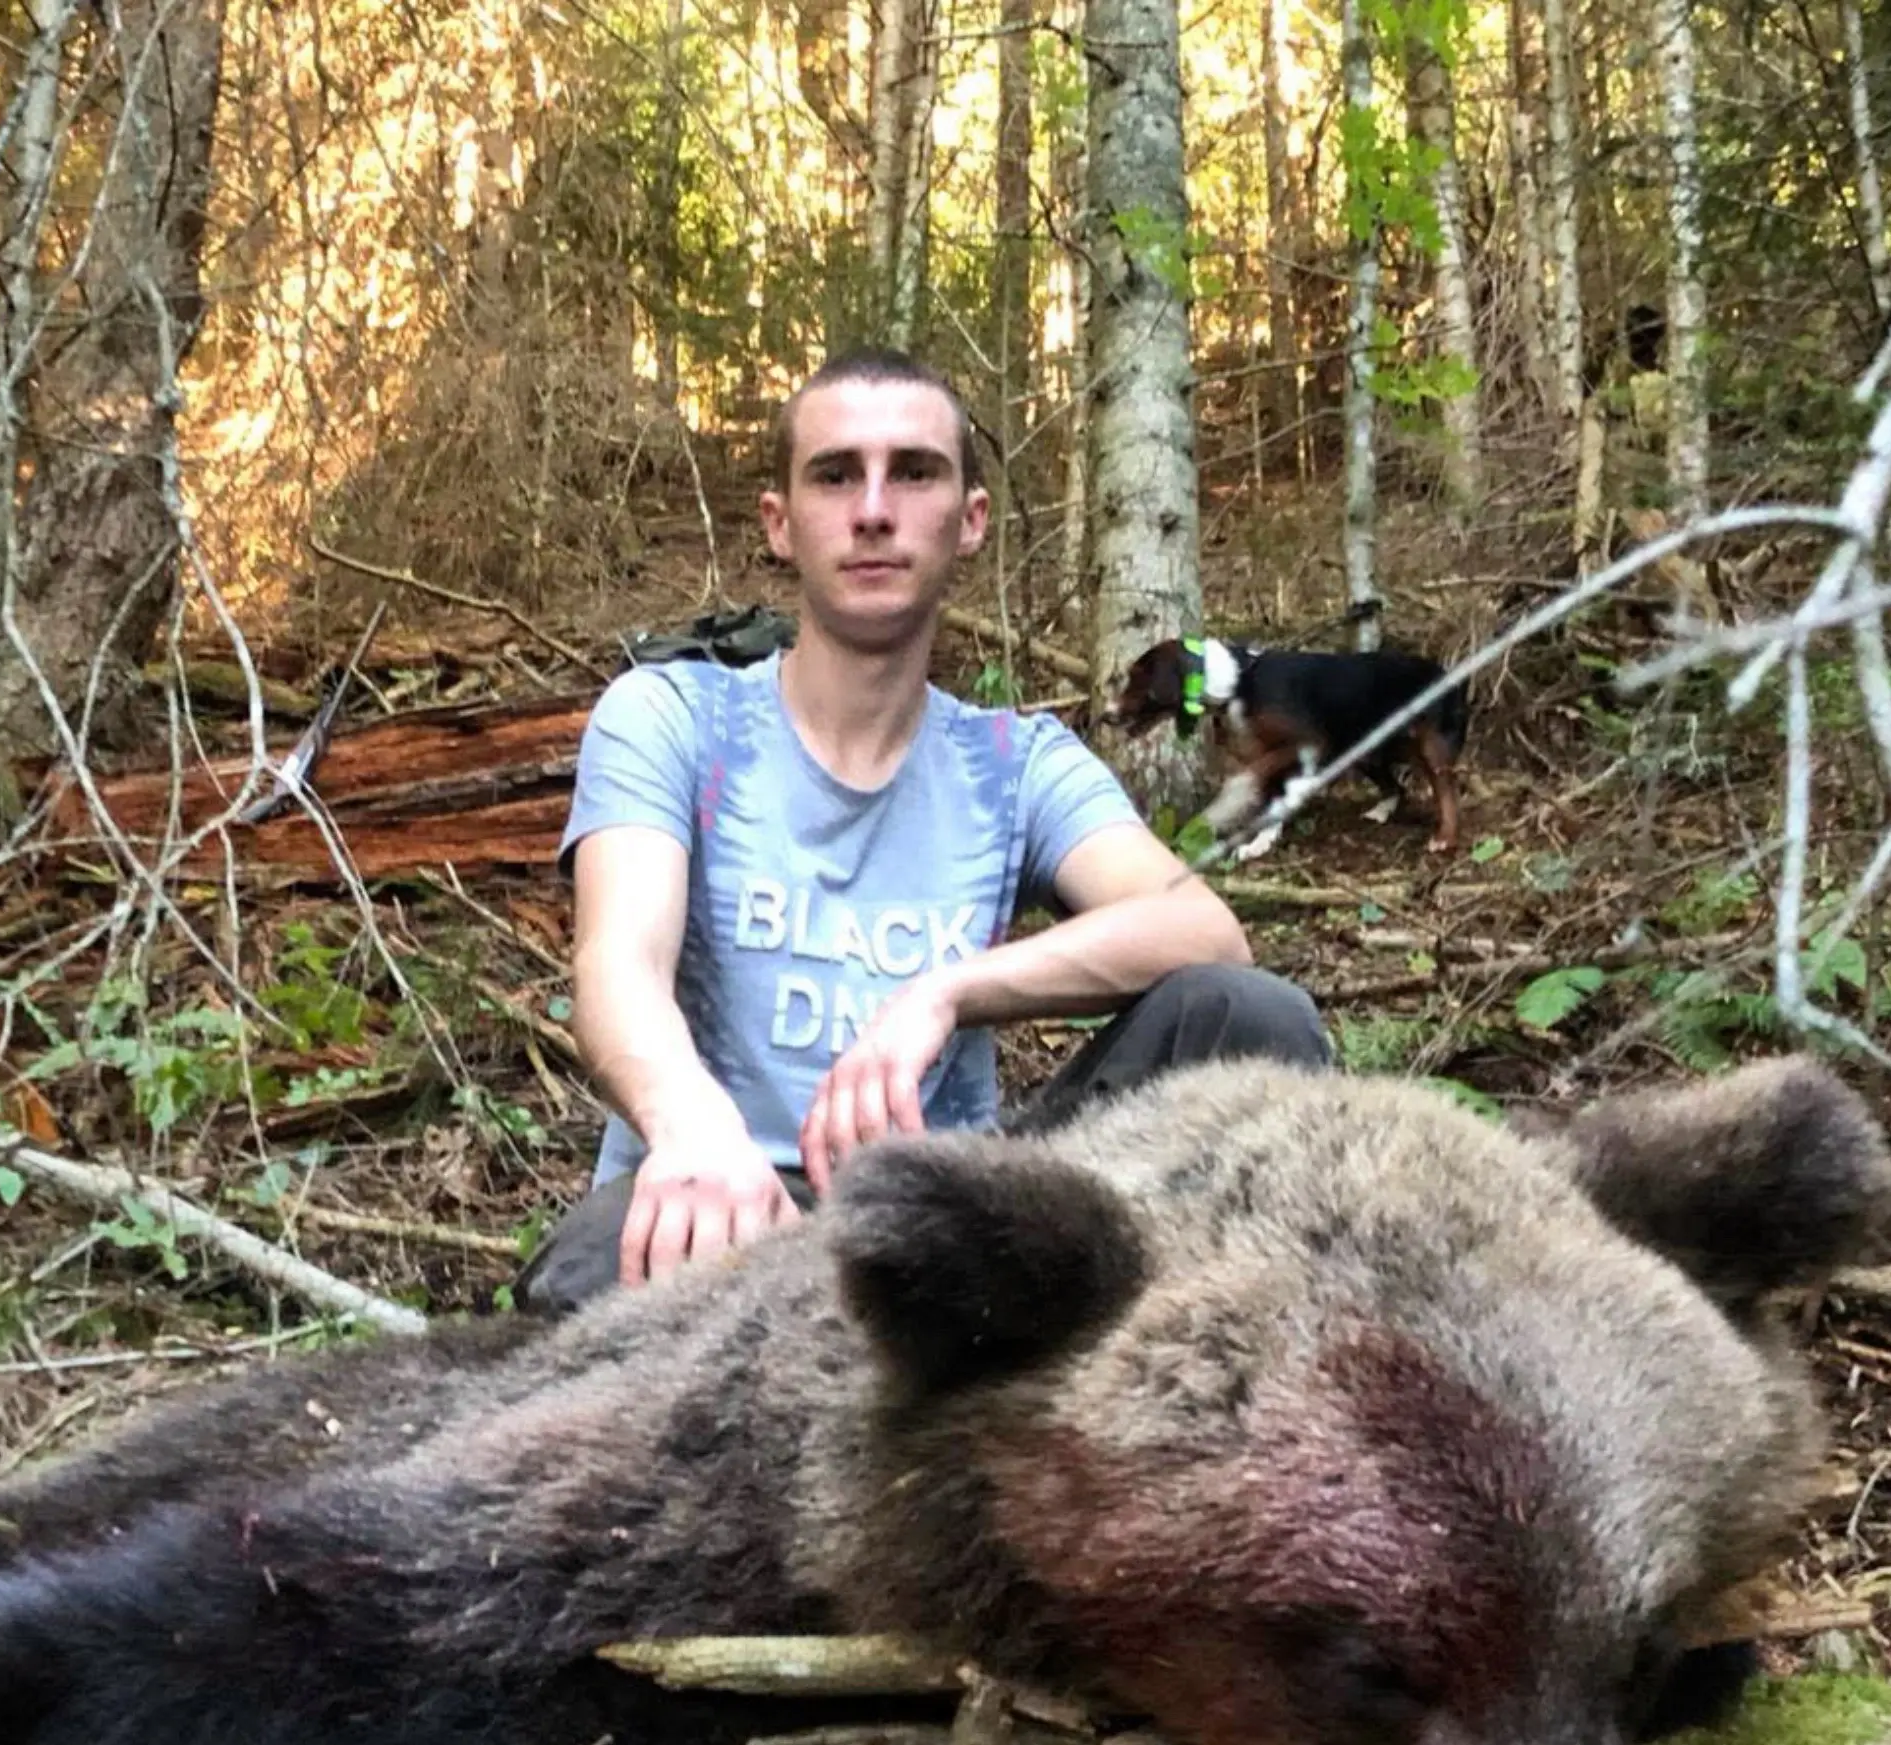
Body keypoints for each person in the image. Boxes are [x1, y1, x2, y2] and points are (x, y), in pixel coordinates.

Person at [515, 347, 1331, 1312]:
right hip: (729, 1207)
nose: (872, 509)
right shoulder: (672, 718)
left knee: (1252, 1020)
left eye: (913, 471)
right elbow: (619, 966)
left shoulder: (1014, 762)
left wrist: (945, 993)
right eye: (834, 475)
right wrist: (693, 1128)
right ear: (780, 524)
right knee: (592, 1272)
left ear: (970, 520)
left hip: (956, 1220)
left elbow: (1205, 936)